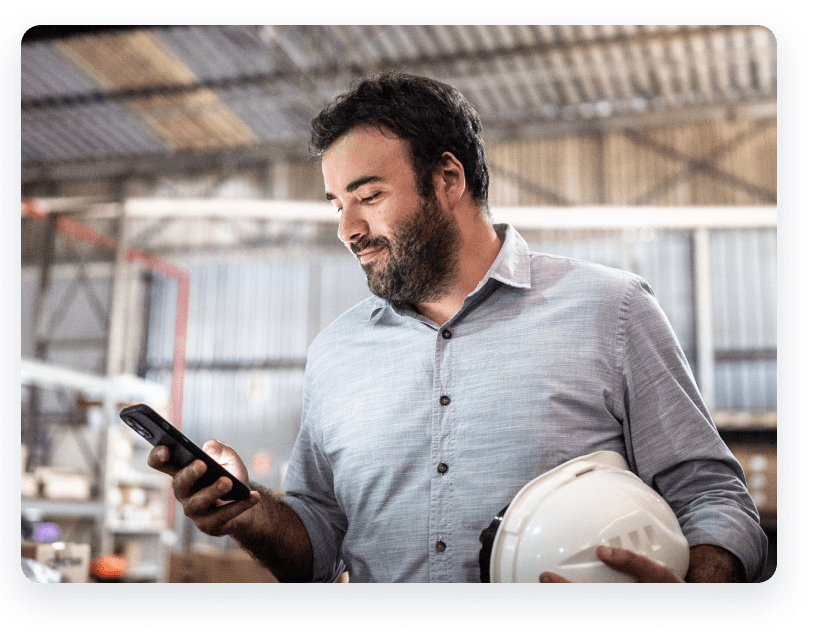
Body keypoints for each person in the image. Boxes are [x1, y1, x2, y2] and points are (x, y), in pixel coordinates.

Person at [149, 72, 767, 583]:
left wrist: (689, 601)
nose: (348, 230)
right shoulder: (336, 352)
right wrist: (246, 513)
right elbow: (319, 538)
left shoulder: (613, 309)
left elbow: (714, 499)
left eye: (368, 196)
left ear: (448, 178)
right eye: (338, 205)